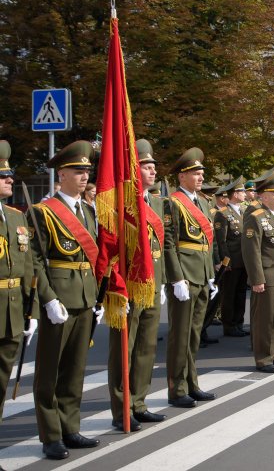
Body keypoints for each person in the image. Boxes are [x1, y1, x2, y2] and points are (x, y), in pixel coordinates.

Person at [30, 140, 101, 459]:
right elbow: (35, 260)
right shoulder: (43, 211)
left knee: (75, 368)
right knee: (50, 370)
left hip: (85, 296)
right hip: (59, 298)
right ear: (62, 174)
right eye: (77, 171)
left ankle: (70, 427)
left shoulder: (88, 210)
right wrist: (47, 299)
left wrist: (98, 297)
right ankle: (51, 435)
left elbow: (92, 257)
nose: (84, 176)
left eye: (86, 171)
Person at [108, 139, 168, 433]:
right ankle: (122, 409)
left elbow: (160, 247)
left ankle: (139, 403)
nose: (153, 171)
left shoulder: (154, 202)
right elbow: (112, 247)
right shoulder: (121, 204)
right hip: (130, 286)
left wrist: (164, 281)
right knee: (125, 349)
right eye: (147, 166)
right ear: (134, 170)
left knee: (146, 348)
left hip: (152, 284)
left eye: (154, 166)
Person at [163, 147, 217, 408]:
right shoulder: (172, 203)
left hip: (202, 274)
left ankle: (192, 383)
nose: (200, 177)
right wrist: (176, 278)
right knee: (180, 336)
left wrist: (210, 275)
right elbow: (168, 242)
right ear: (182, 177)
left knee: (194, 334)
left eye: (201, 173)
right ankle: (177, 389)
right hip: (185, 275)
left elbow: (206, 242)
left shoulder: (203, 202)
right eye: (195, 173)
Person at [0, 141, 39, 429]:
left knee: (2, 378)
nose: (10, 180)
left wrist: (31, 310)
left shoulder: (15, 216)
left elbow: (27, 266)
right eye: (3, 176)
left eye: (9, 175)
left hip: (12, 311)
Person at [241, 170, 274, 373]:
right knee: (264, 320)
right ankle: (263, 358)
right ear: (263, 196)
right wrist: (257, 279)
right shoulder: (255, 217)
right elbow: (251, 250)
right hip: (266, 276)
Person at [212, 177, 248, 338]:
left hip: (243, 259)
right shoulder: (223, 214)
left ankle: (239, 322)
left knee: (241, 293)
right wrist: (226, 262)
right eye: (242, 191)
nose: (245, 194)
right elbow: (221, 241)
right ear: (235, 194)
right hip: (232, 260)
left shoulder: (244, 212)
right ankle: (229, 325)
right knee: (229, 293)